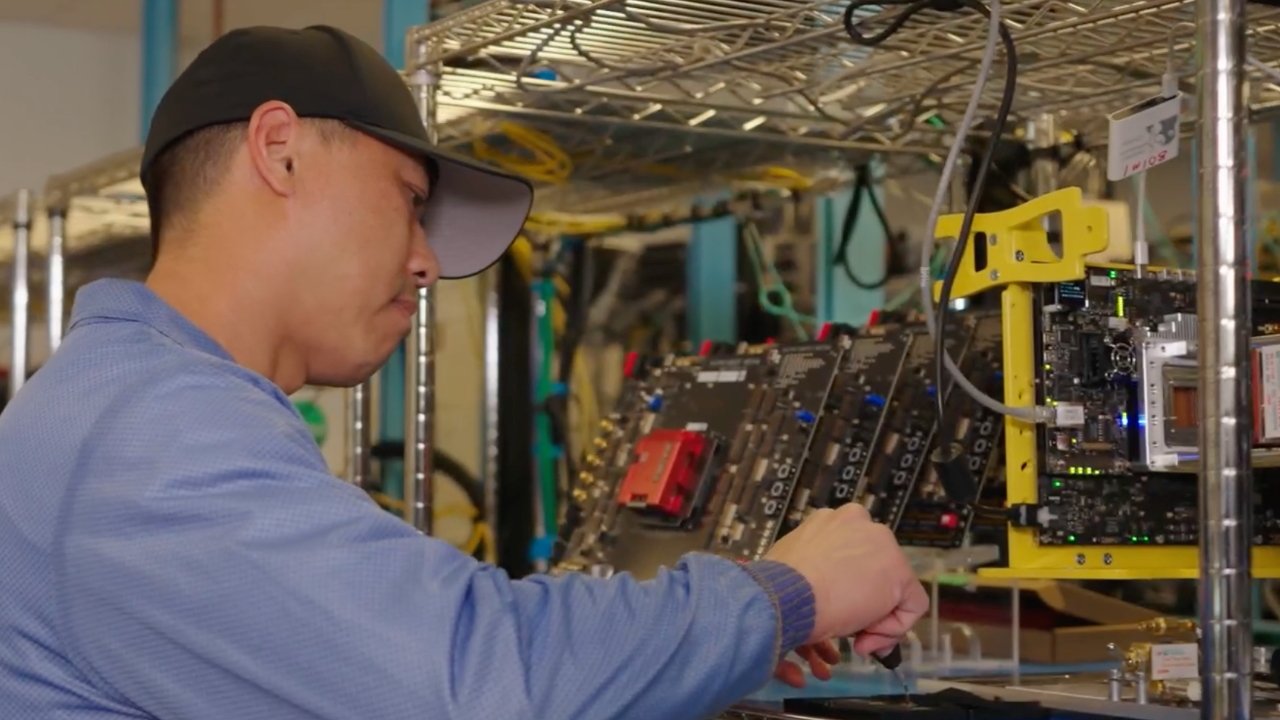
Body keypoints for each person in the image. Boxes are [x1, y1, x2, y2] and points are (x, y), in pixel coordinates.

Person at [0, 25, 928, 720]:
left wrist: (699, 652)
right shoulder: (148, 431)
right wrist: (784, 594)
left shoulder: (117, 403)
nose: (427, 262)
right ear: (278, 149)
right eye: (408, 204)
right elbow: (470, 678)